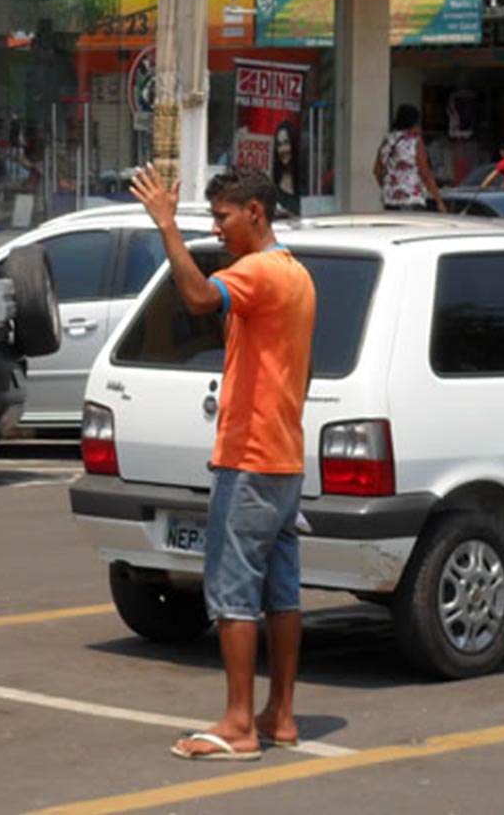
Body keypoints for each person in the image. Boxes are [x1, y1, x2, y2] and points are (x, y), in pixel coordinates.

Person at [129, 164, 315, 762]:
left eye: (223, 217)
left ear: (255, 214)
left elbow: (198, 297)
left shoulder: (258, 271)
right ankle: (279, 715)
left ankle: (240, 724)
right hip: (284, 457)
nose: (217, 230)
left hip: (252, 457)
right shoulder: (298, 275)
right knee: (280, 592)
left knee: (234, 592)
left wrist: (166, 226)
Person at [374, 104, 445, 212]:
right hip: (412, 199)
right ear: (414, 122)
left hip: (390, 200)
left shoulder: (387, 140)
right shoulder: (415, 142)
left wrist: (389, 186)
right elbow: (425, 172)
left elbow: (377, 171)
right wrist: (438, 199)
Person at [270, 121, 301, 217]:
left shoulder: (306, 179)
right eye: (279, 145)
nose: (283, 149)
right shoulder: (273, 181)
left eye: (286, 143)